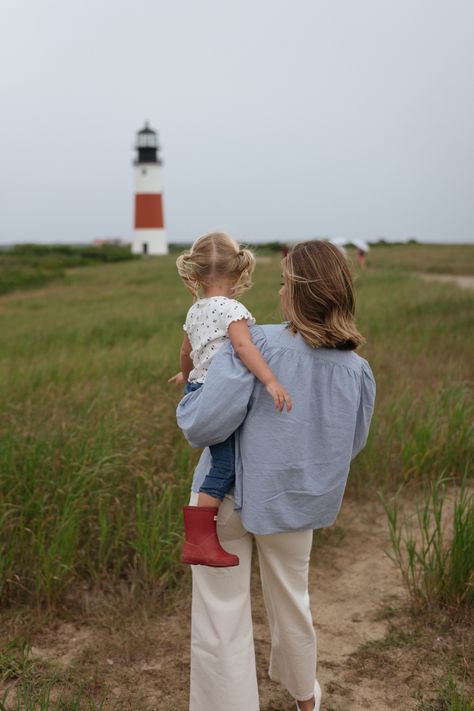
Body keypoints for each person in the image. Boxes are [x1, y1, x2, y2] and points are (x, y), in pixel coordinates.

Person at [177, 239, 376, 711]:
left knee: (220, 616)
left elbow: (205, 425)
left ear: (300, 292)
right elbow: (353, 443)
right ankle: (306, 699)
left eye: (285, 283)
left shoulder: (254, 343)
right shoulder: (357, 371)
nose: (280, 293)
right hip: (298, 501)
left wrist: (188, 398)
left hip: (225, 500)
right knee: (293, 603)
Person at [169, 232, 292, 567]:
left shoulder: (195, 311)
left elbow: (187, 351)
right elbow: (243, 347)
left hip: (197, 389)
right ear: (238, 272)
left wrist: (185, 374)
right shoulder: (232, 309)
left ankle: (204, 538)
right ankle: (199, 541)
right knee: (224, 465)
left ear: (195, 274)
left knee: (224, 454)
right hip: (219, 393)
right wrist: (270, 379)